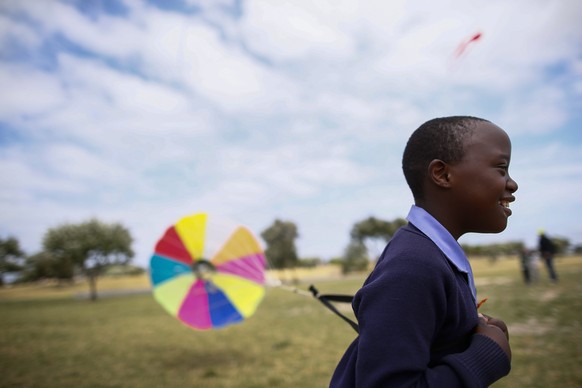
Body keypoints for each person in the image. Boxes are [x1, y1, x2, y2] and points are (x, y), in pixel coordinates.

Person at [331, 116, 516, 387]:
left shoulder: (431, 254)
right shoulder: (414, 266)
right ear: (442, 174)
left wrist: (470, 330)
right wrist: (484, 357)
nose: (512, 184)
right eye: (501, 169)